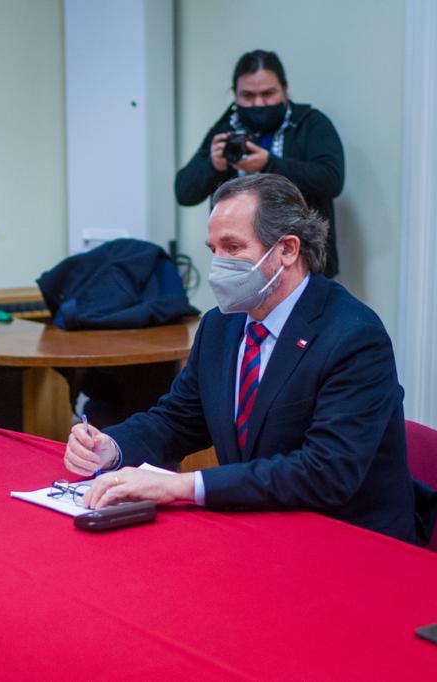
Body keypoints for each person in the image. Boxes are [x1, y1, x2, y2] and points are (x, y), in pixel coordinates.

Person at [63, 174, 416, 543]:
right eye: (213, 249)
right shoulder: (220, 325)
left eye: (232, 247)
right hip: (258, 528)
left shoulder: (353, 336)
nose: (218, 265)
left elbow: (326, 473)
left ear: (288, 249)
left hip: (350, 541)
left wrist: (179, 486)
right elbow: (178, 420)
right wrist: (113, 447)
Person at [175, 49, 344, 277]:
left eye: (268, 93)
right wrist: (213, 166)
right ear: (235, 95)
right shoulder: (226, 128)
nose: (258, 103)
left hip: (305, 262)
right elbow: (184, 192)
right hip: (239, 265)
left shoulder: (310, 123)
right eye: (248, 96)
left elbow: (331, 179)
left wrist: (269, 164)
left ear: (285, 90)